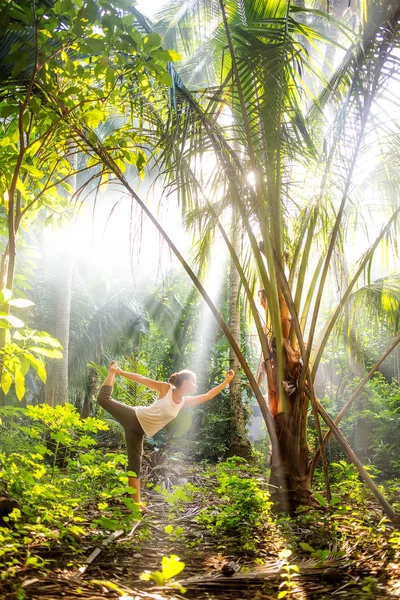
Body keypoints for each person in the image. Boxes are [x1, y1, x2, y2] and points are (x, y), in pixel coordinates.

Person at [97, 361, 235, 507]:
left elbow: (208, 395)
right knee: (103, 399)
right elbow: (142, 379)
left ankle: (135, 504)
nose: (195, 385)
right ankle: (111, 371)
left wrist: (226, 381)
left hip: (139, 431)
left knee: (134, 466)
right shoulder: (166, 389)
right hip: (134, 417)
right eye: (193, 382)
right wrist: (119, 372)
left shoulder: (184, 402)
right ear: (186, 382)